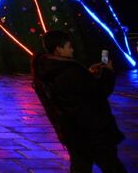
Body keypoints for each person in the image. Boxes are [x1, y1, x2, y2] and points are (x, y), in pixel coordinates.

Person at [32, 30, 127, 173]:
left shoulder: (48, 69)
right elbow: (100, 91)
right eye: (69, 46)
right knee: (111, 166)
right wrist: (107, 72)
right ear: (58, 49)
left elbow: (77, 89)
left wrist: (88, 74)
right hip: (92, 130)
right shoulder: (70, 71)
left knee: (81, 166)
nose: (72, 49)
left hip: (71, 130)